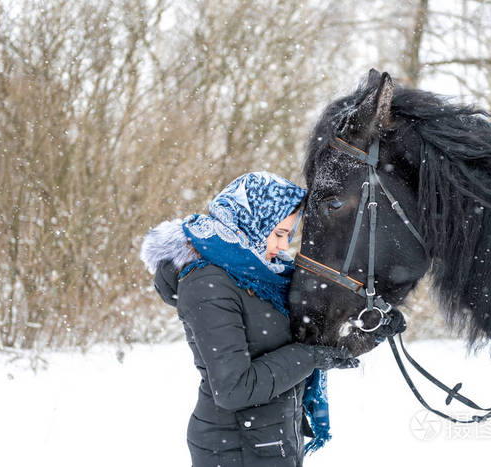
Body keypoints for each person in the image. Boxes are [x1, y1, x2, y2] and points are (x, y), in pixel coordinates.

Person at [139, 172, 384, 466]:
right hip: (232, 450)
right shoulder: (207, 284)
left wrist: (372, 329)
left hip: (272, 442)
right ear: (253, 220)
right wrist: (310, 358)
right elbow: (233, 389)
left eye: (288, 236)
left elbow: (308, 341)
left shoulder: (267, 276)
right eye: (279, 234)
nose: (283, 247)